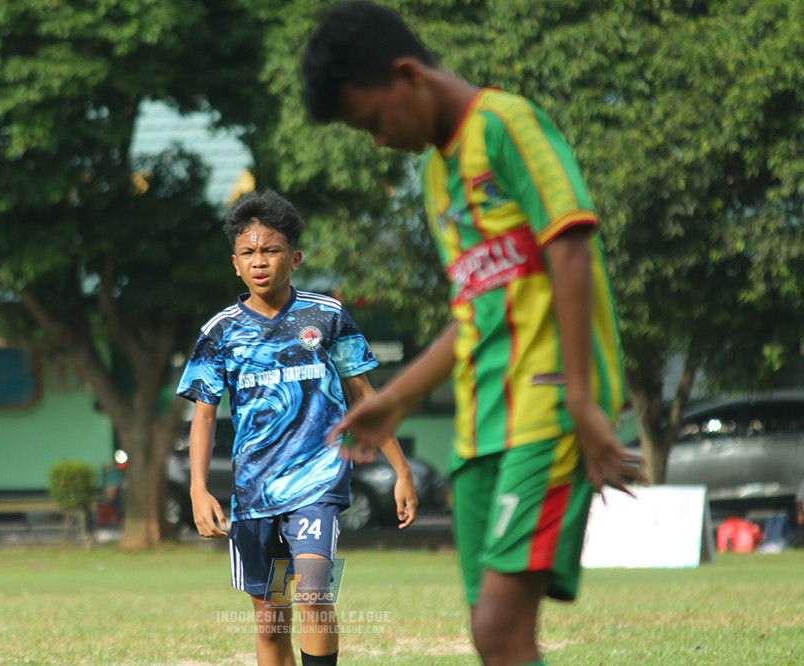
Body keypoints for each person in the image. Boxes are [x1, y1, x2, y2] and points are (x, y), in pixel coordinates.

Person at [301, 3, 649, 665]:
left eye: (373, 121)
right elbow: (475, 315)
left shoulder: (506, 124)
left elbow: (569, 246)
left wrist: (581, 399)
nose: (378, 141)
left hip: (546, 407)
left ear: (408, 76)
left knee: (499, 626)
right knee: (492, 636)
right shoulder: (437, 174)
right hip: (480, 426)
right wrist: (397, 399)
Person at [176, 190, 419, 666]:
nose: (259, 261)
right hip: (253, 492)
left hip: (317, 481)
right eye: (248, 252)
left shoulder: (325, 316)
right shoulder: (219, 332)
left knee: (313, 596)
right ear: (235, 264)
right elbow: (203, 414)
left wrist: (402, 470)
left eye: (271, 250)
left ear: (295, 257)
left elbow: (363, 396)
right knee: (271, 628)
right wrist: (197, 489)